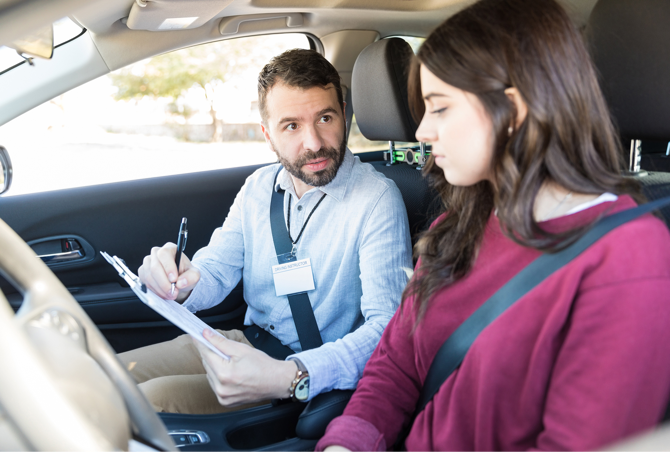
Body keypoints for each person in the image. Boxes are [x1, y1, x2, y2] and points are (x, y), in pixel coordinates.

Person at [316, 0, 670, 451]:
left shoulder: (627, 257)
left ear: (514, 111)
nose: (422, 130)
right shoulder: (459, 224)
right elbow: (396, 365)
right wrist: (347, 442)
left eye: (439, 108)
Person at [119, 48, 412, 414]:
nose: (314, 143)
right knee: (106, 375)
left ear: (345, 114)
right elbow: (215, 269)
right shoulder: (259, 187)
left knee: (147, 403)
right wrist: (179, 281)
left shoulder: (377, 199)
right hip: (242, 342)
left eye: (325, 117)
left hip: (302, 372)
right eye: (292, 125)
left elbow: (388, 329)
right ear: (267, 134)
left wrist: (293, 373)